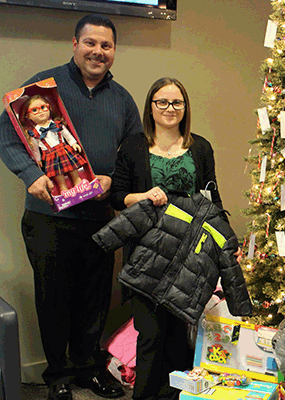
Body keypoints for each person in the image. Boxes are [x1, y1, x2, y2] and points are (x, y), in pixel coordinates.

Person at [0, 14, 143, 400]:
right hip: (50, 219)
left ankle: (89, 370)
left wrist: (114, 180)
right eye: (90, 43)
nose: (98, 51)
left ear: (114, 52)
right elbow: (7, 137)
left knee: (95, 301)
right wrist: (31, 175)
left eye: (106, 45)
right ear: (74, 44)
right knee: (54, 300)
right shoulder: (42, 91)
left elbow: (133, 157)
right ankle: (58, 378)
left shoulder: (123, 100)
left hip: (99, 219)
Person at [109, 76, 252, 400]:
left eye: (177, 102)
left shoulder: (199, 148)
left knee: (179, 336)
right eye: (162, 102)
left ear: (185, 108)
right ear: (151, 107)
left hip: (191, 257)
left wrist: (226, 244)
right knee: (150, 335)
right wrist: (142, 196)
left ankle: (178, 396)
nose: (169, 108)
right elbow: (117, 196)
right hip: (147, 256)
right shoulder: (133, 146)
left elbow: (213, 200)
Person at [19, 94, 87, 193]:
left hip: (64, 149)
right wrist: (37, 159)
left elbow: (67, 135)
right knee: (57, 173)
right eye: (34, 110)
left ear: (49, 107)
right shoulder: (34, 133)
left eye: (43, 107)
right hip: (50, 155)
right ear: (28, 116)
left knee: (72, 167)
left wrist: (74, 143)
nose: (41, 111)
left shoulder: (57, 124)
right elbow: (35, 149)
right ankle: (63, 188)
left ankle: (78, 182)